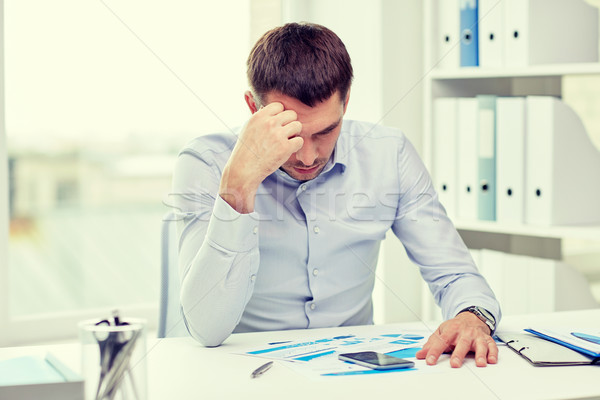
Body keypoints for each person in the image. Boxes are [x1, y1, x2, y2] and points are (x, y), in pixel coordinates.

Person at [171, 22, 501, 368]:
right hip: (243, 371)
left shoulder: (389, 154)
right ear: (253, 108)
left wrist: (472, 316)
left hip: (354, 371)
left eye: (327, 131)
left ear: (346, 102)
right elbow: (206, 328)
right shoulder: (206, 162)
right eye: (292, 132)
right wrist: (239, 186)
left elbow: (454, 273)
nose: (308, 157)